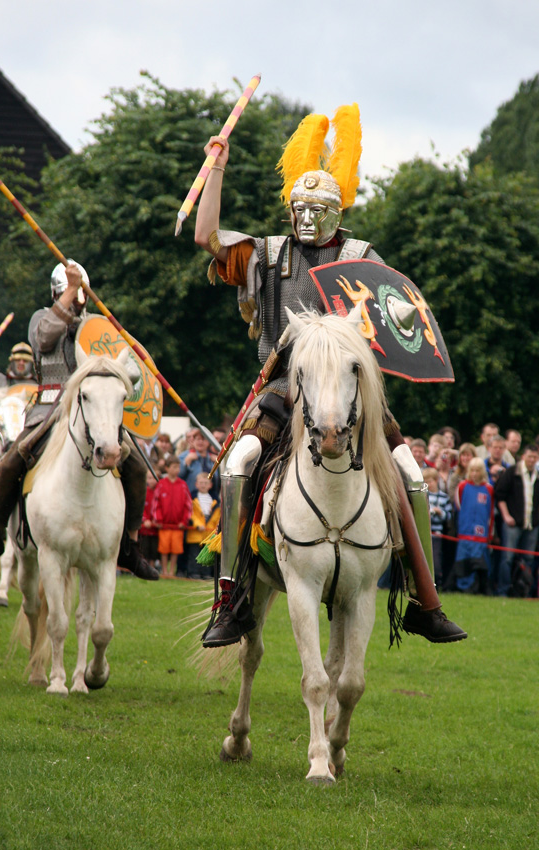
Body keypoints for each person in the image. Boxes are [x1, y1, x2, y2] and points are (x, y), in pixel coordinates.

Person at [194, 104, 466, 647]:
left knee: (410, 468)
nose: (306, 218)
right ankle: (232, 596)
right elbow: (207, 237)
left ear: (336, 209)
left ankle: (424, 597)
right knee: (242, 461)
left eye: (317, 209)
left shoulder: (363, 257)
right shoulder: (268, 255)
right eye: (299, 208)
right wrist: (216, 167)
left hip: (348, 386)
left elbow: (391, 315)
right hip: (284, 384)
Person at [0, 261, 159, 582]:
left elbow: (122, 368)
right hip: (50, 407)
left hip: (91, 410)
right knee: (8, 463)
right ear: (59, 291)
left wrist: (131, 371)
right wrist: (70, 292)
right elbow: (44, 341)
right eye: (71, 292)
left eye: (81, 292)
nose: (77, 299)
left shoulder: (99, 328)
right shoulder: (41, 319)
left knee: (137, 466)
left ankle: (129, 544)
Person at [494, 444, 539, 596]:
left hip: (532, 525)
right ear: (523, 456)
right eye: (530, 456)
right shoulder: (512, 472)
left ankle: (523, 592)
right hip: (512, 523)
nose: (532, 460)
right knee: (507, 558)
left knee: (528, 559)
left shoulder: (537, 475)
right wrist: (506, 516)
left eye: (535, 457)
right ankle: (503, 590)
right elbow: (499, 495)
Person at [448, 457, 494, 594]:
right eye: (472, 470)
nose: (474, 473)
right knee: (463, 560)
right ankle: (463, 586)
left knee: (479, 561)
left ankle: (476, 586)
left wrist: (490, 533)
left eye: (477, 471)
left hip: (481, 534)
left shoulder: (488, 488)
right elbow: (458, 507)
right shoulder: (462, 486)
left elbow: (490, 513)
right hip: (465, 532)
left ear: (482, 472)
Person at [152, 455, 192, 577]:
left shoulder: (183, 485)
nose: (177, 470)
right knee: (164, 549)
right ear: (167, 468)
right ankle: (164, 571)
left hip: (178, 526)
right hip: (164, 525)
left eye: (178, 467)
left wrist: (184, 521)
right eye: (174, 467)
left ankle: (171, 571)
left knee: (175, 549)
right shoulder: (161, 484)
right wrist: (158, 519)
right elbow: (156, 503)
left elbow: (188, 505)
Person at [423, 467, 453, 590]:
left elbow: (449, 515)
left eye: (430, 481)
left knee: (435, 560)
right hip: (424, 533)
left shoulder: (444, 497)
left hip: (437, 534)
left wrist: (440, 512)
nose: (429, 484)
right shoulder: (423, 495)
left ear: (436, 480)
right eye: (426, 482)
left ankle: (436, 583)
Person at [186, 471, 220, 579]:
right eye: (201, 483)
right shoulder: (192, 498)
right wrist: (197, 524)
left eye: (206, 483)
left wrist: (215, 528)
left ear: (210, 485)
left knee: (207, 554)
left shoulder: (215, 500)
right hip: (196, 533)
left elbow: (216, 515)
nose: (203, 485)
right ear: (196, 484)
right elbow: (192, 514)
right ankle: (193, 573)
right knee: (194, 555)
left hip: (208, 533)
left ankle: (206, 573)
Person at [179, 428, 220, 500]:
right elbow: (178, 476)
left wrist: (219, 464)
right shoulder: (183, 456)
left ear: (208, 442)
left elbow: (218, 482)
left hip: (211, 500)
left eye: (203, 439)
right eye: (198, 439)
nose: (200, 442)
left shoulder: (213, 458)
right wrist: (185, 463)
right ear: (193, 441)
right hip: (191, 499)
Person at [138, 469, 160, 569]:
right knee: (144, 550)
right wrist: (145, 519)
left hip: (155, 529)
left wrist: (157, 519)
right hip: (145, 529)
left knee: (154, 552)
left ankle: (152, 568)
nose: (150, 481)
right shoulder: (143, 491)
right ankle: (144, 568)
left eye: (153, 478)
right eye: (149, 478)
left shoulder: (159, 492)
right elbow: (140, 507)